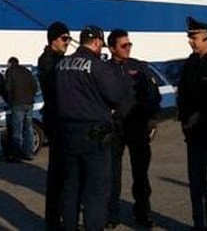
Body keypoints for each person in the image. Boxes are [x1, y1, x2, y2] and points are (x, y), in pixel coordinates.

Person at [56, 25, 123, 231]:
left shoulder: (62, 65)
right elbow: (115, 96)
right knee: (96, 192)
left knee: (71, 189)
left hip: (68, 133)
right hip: (94, 135)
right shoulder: (97, 66)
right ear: (96, 43)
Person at [105, 29, 161, 228]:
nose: (128, 48)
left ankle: (143, 213)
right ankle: (112, 214)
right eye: (123, 45)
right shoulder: (104, 69)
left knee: (141, 174)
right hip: (115, 129)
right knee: (112, 174)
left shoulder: (139, 67)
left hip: (137, 127)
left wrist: (150, 118)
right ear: (112, 48)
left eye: (129, 44)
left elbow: (154, 95)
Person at [178, 17, 207, 230]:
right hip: (194, 137)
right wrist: (185, 122)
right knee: (197, 188)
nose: (190, 41)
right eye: (189, 37)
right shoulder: (190, 63)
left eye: (193, 37)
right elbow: (182, 97)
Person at [38, 21, 72, 230]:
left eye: (69, 39)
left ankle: (60, 215)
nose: (68, 43)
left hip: (59, 118)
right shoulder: (48, 60)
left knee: (64, 172)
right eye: (64, 39)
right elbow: (55, 87)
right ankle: (53, 220)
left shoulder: (57, 59)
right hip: (57, 120)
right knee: (58, 174)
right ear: (53, 40)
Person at [5, 56, 38, 162]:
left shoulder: (10, 72)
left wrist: (10, 101)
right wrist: (31, 97)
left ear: (10, 63)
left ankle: (16, 155)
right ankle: (29, 153)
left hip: (17, 103)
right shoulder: (27, 72)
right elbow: (35, 87)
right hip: (29, 103)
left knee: (17, 130)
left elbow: (8, 88)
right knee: (28, 128)